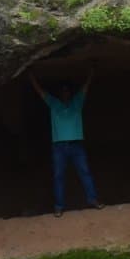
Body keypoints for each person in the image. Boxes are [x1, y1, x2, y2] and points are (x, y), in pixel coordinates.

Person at [29, 70, 101, 216]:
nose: (65, 93)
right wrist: (31, 78)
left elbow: (85, 88)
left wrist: (91, 72)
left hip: (76, 145)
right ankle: (59, 206)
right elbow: (41, 92)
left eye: (67, 91)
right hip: (59, 147)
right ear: (60, 94)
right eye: (63, 91)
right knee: (58, 176)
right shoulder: (54, 103)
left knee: (85, 172)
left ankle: (93, 200)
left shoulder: (77, 102)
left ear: (70, 92)